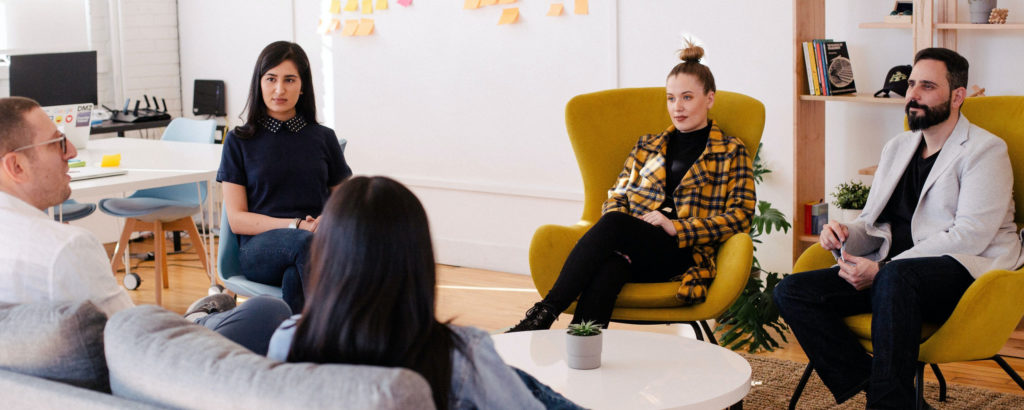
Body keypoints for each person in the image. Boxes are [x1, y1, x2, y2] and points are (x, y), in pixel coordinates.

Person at [774, 47, 1024, 408]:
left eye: (927, 86)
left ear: (957, 96)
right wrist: (845, 232)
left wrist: (882, 270)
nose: (913, 95)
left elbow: (971, 235)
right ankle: (893, 399)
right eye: (911, 84)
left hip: (964, 276)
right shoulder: (898, 147)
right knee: (792, 291)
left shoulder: (985, 151)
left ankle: (889, 400)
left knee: (895, 278)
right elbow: (873, 221)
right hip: (892, 278)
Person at [0, 96, 291, 355]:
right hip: (155, 367)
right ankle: (196, 322)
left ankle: (195, 320)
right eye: (58, 143)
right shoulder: (65, 249)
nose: (72, 152)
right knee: (267, 309)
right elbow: (133, 340)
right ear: (16, 166)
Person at [266, 176, 580, 410]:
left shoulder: (287, 341)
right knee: (521, 382)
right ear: (418, 259)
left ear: (326, 258)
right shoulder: (461, 354)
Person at [507, 41, 756, 332]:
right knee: (610, 268)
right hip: (635, 245)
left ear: (709, 98)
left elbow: (741, 216)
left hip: (683, 253)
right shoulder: (647, 146)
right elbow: (618, 195)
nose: (677, 107)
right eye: (671, 98)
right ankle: (580, 345)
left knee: (614, 224)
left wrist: (676, 227)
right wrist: (631, 230)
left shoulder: (731, 151)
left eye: (687, 97)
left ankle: (544, 313)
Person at [217, 41, 352, 313]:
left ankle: (297, 338)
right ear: (259, 83)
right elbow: (238, 220)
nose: (279, 89)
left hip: (312, 246)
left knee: (295, 276)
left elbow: (348, 202)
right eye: (271, 79)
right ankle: (344, 328)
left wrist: (327, 219)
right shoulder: (238, 141)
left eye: (289, 80)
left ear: (302, 86)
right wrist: (297, 225)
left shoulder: (324, 138)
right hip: (259, 250)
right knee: (307, 245)